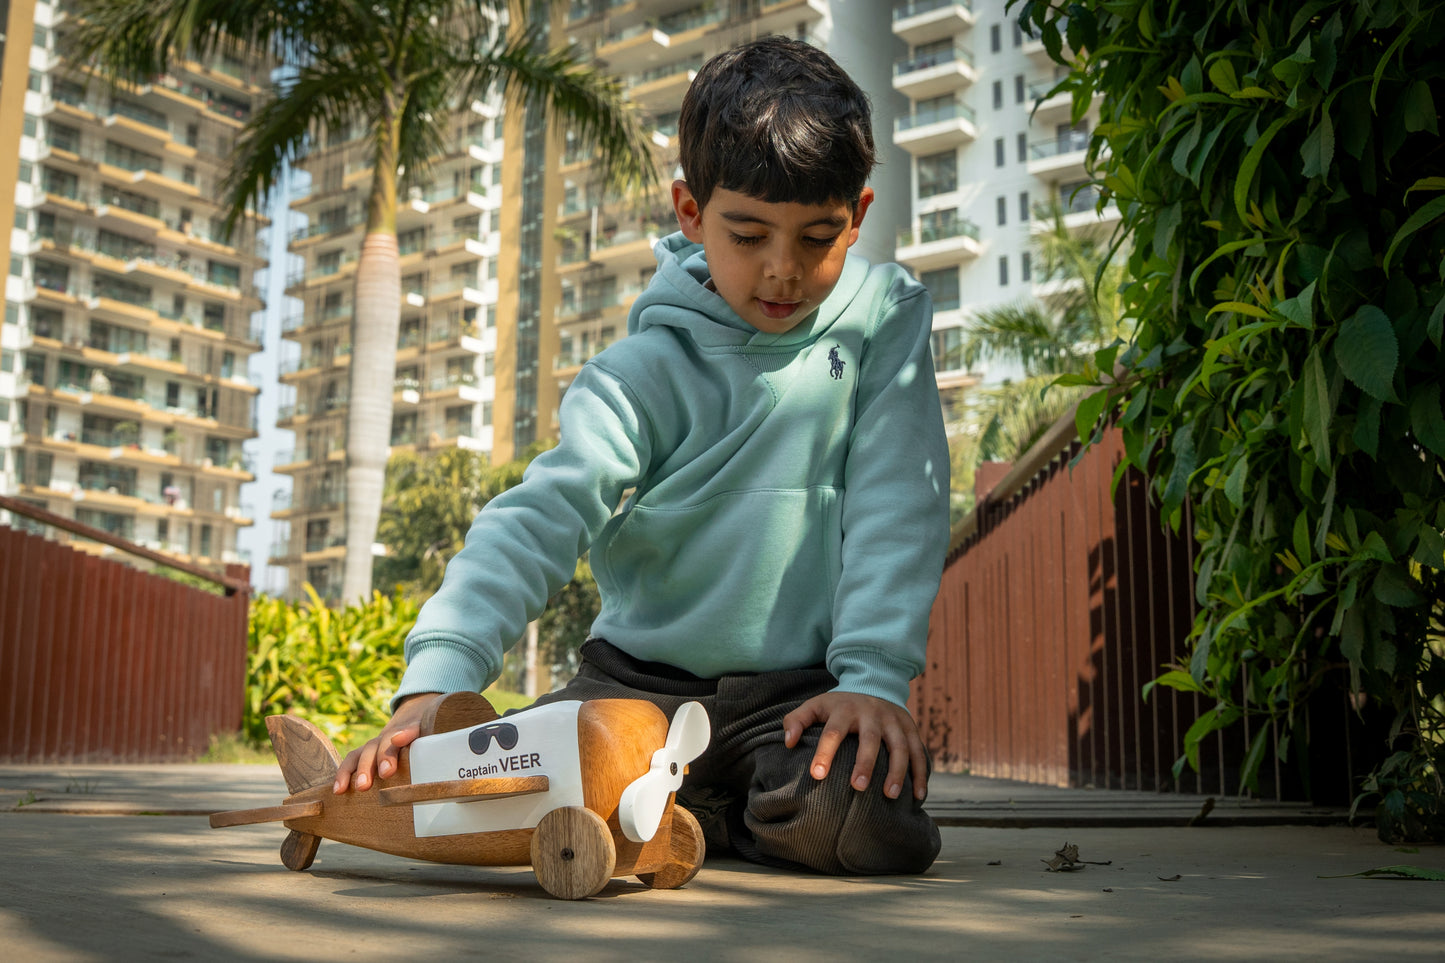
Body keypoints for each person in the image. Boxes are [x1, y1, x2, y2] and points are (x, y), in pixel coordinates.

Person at [335, 36, 951, 876]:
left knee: (859, 818)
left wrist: (874, 678)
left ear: (859, 213)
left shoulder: (884, 321)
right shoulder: (639, 372)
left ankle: (685, 812)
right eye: (748, 233)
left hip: (798, 700)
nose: (783, 270)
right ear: (691, 214)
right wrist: (435, 678)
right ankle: (683, 803)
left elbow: (897, 502)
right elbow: (539, 518)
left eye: (817, 236)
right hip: (634, 692)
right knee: (484, 793)